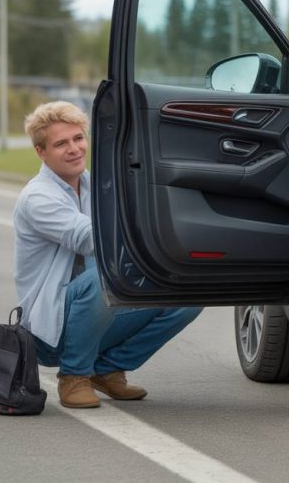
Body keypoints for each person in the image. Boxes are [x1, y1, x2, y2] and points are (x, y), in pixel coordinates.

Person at [13, 101, 201, 408]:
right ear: (40, 152)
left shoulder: (94, 185)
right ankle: (74, 376)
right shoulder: (37, 198)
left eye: (78, 138)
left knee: (187, 294)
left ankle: (108, 368)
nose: (74, 149)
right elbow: (91, 238)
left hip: (97, 310)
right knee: (105, 276)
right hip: (49, 331)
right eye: (61, 143)